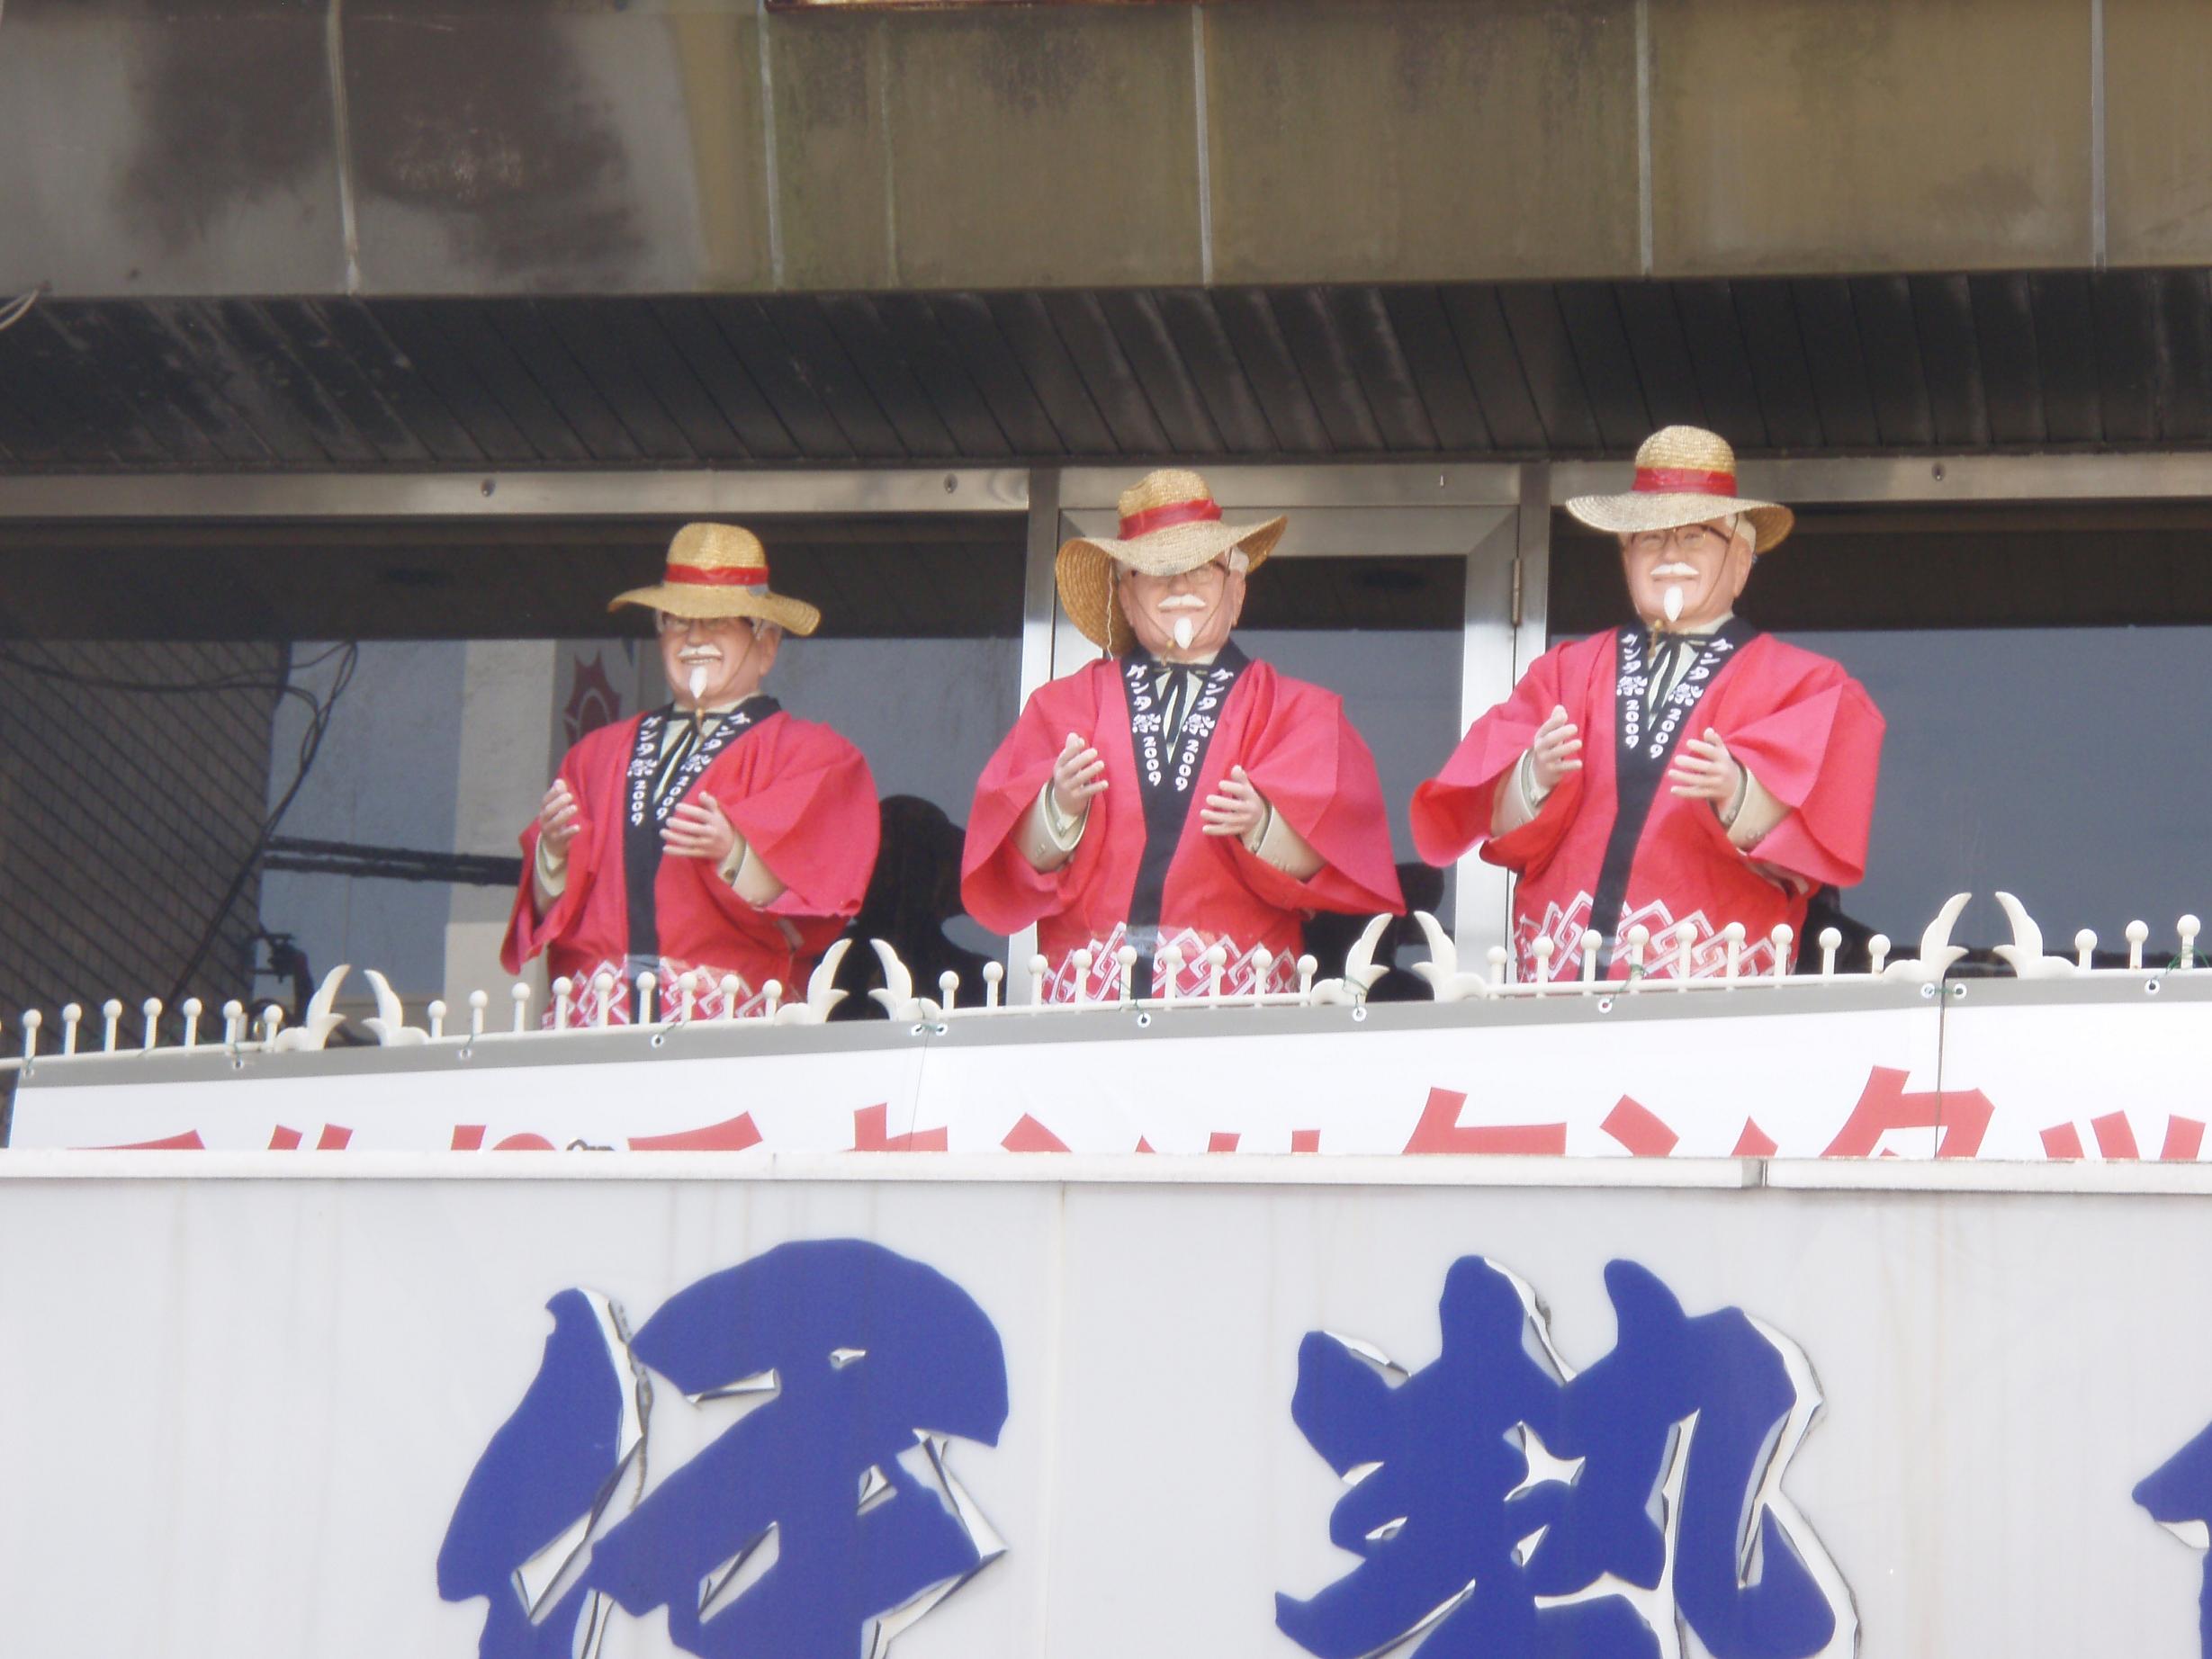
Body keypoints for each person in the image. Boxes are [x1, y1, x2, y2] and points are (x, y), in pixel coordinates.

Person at [1412, 426, 1884, 981]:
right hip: (1560, 972)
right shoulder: (1564, 673)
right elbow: (1484, 806)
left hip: (1712, 976)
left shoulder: (1803, 684)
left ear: (1740, 559)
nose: (1670, 556)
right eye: (1651, 538)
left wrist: (1742, 795)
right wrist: (1532, 778)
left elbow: (1818, 838)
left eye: (1694, 537)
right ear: (1626, 557)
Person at [963, 468, 1402, 1001]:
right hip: (1089, 987)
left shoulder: (1295, 713)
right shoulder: (1062, 708)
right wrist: (1057, 810)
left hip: (1237, 988)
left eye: (1201, 569)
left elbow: (1343, 846)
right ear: (1126, 597)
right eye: (1155, 573)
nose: (1179, 588)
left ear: (1236, 590)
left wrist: (1266, 825)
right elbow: (1006, 850)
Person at [502, 523, 879, 1022]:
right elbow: (552, 911)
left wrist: (738, 854)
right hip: (597, 1020)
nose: (695, 638)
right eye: (677, 621)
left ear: (766, 644)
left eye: (718, 622)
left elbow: (816, 907)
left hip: (729, 1023)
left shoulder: (814, 758)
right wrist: (553, 854)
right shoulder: (594, 756)